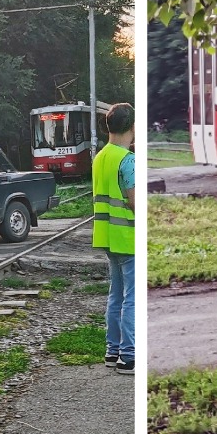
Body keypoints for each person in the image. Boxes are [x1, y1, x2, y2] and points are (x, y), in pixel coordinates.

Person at [92, 102, 135, 375]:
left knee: (116, 295)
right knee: (133, 297)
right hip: (128, 237)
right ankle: (129, 356)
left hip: (106, 236)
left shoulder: (100, 157)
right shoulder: (127, 160)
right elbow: (135, 204)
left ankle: (113, 351)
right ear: (132, 127)